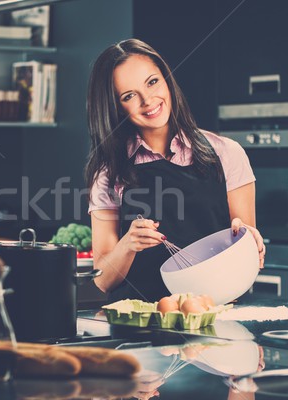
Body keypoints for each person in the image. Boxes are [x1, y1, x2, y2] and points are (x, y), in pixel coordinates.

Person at [85, 39, 265, 302]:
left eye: (152, 82)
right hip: (140, 326)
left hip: (215, 319)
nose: (148, 100)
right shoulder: (108, 173)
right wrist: (128, 244)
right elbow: (102, 281)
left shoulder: (227, 153)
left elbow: (246, 253)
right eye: (129, 96)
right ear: (115, 107)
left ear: (167, 79)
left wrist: (247, 240)